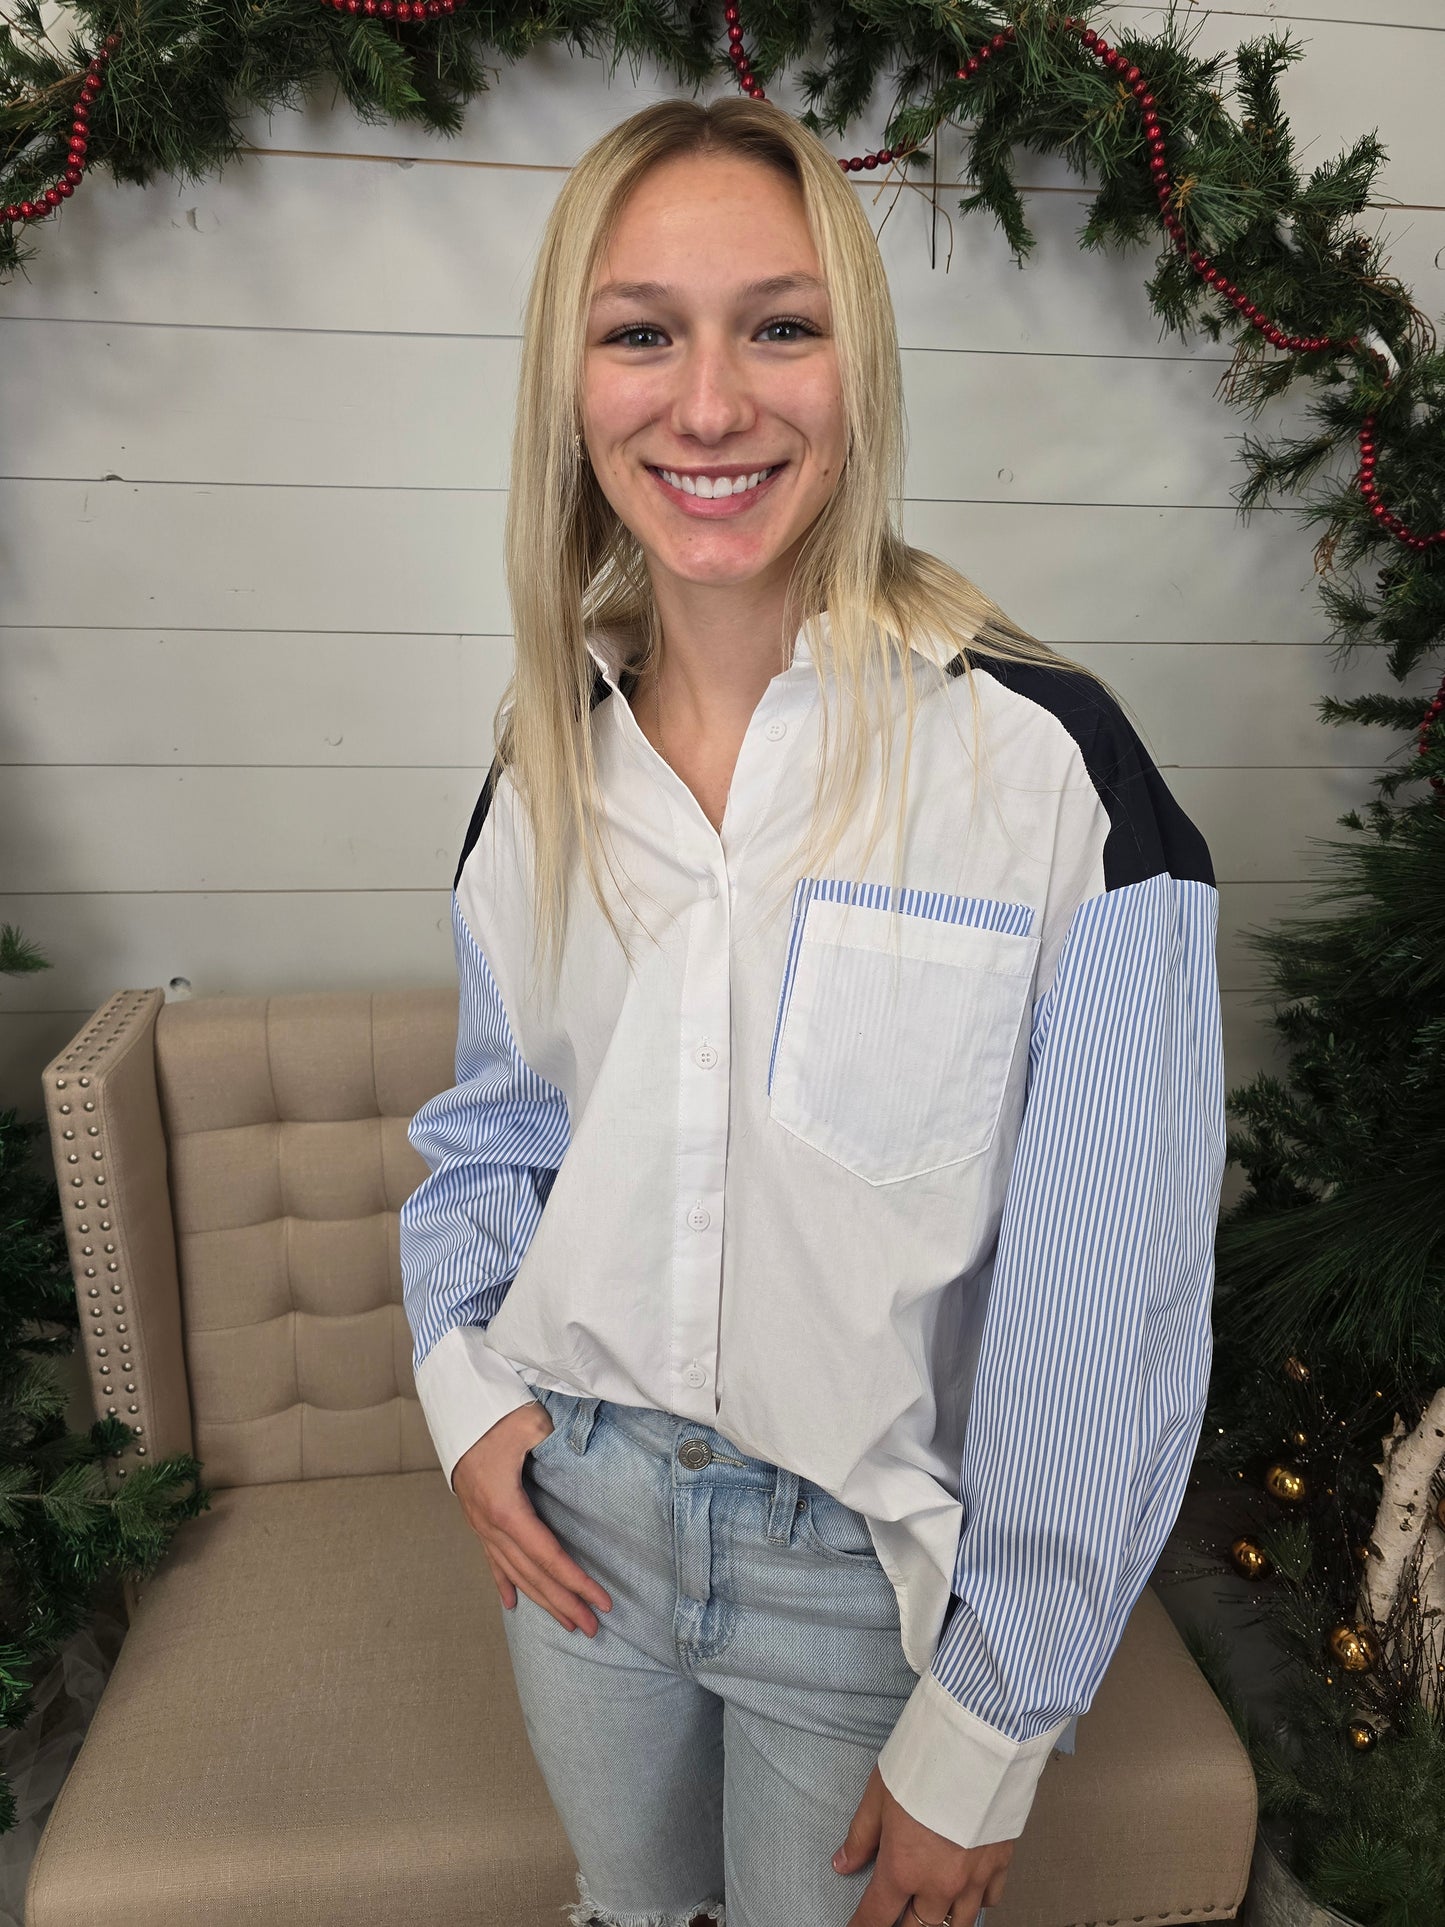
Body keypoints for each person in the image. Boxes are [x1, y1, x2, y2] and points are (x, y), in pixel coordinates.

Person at [399, 93, 1226, 1927]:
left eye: (779, 325)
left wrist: (993, 1719)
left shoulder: (1049, 776)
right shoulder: (542, 771)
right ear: (573, 380)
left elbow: (1111, 1294)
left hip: (856, 1577)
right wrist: (463, 1389)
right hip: (580, 1525)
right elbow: (491, 1134)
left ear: (858, 368)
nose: (708, 405)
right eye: (641, 332)